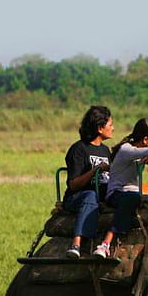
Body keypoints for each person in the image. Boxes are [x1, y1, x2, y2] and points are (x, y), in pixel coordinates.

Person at [92, 118, 148, 258]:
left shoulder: (140, 151)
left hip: (134, 193)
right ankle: (106, 243)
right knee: (131, 198)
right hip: (118, 193)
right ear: (144, 140)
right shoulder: (127, 150)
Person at [62, 105, 114, 258]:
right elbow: (73, 184)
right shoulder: (79, 149)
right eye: (110, 125)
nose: (113, 128)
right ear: (100, 128)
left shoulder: (105, 151)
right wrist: (95, 171)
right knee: (90, 196)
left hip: (101, 195)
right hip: (78, 197)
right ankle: (77, 244)